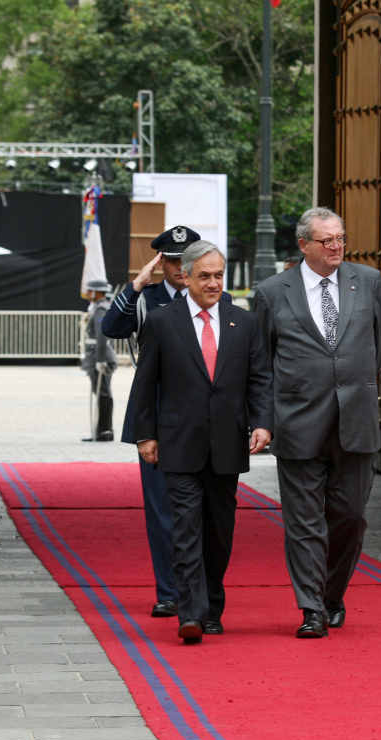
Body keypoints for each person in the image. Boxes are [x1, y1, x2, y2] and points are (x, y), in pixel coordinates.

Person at [251, 207, 381, 638]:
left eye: (340, 239)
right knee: (303, 522)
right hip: (298, 421)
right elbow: (261, 363)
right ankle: (311, 608)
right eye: (326, 240)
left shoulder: (368, 281)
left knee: (349, 515)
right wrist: (264, 420)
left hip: (356, 419)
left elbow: (380, 347)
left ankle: (332, 594)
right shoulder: (272, 291)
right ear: (303, 245)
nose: (336, 247)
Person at [132, 241, 273, 643]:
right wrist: (145, 434)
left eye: (219, 275)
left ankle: (212, 606)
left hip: (227, 444)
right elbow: (145, 385)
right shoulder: (162, 321)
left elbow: (260, 378)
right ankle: (190, 613)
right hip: (178, 442)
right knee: (185, 529)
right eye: (205, 276)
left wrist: (263, 423)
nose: (213, 283)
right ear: (186, 277)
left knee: (218, 532)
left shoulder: (242, 322)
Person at [104, 226, 234, 619]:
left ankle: (200, 589)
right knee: (163, 507)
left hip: (207, 414)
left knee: (207, 510)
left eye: (184, 259)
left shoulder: (219, 298)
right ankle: (170, 590)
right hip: (161, 409)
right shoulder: (147, 301)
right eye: (172, 260)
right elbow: (111, 328)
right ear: (162, 262)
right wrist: (136, 284)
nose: (180, 268)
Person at [82, 277, 117, 442]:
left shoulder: (101, 309)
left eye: (90, 290)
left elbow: (101, 337)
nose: (88, 293)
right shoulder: (98, 308)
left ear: (97, 292)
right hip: (97, 357)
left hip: (99, 357)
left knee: (103, 394)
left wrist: (100, 360)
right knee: (103, 394)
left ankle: (104, 430)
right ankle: (104, 429)